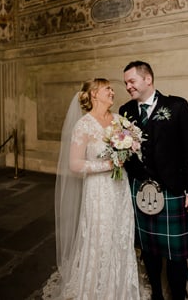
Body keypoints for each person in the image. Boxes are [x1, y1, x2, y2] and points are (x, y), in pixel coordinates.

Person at [49, 78, 141, 299]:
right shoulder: (84, 125)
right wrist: (108, 165)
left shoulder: (120, 120)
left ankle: (120, 286)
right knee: (101, 236)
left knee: (121, 234)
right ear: (93, 94)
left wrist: (131, 147)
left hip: (120, 188)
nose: (112, 91)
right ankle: (97, 289)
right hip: (99, 191)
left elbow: (133, 146)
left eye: (111, 88)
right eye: (106, 88)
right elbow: (75, 164)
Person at [120, 61, 188, 300]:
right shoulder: (126, 110)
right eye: (125, 83)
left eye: (132, 81)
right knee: (148, 248)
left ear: (148, 79)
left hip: (172, 186)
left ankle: (178, 294)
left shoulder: (176, 105)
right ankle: (155, 292)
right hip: (139, 187)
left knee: (175, 252)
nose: (128, 87)